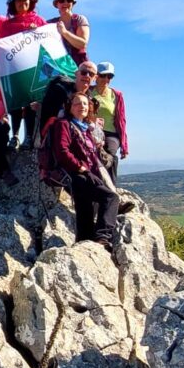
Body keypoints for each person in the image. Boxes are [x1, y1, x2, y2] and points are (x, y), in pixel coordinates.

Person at [50, 93, 119, 250]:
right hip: (77, 175)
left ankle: (84, 245)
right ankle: (103, 237)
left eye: (85, 104)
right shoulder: (64, 124)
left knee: (85, 213)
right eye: (77, 103)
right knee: (111, 197)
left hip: (86, 174)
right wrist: (80, 167)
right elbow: (62, 151)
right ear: (70, 107)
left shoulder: (86, 128)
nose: (82, 106)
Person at [0, 0, 47, 151]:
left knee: (31, 103)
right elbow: (2, 48)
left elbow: (48, 41)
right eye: (18, 0)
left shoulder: (39, 21)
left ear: (30, 2)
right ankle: (15, 136)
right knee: (17, 102)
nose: (22, 2)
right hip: (15, 69)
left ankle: (29, 137)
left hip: (34, 68)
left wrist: (37, 32)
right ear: (13, 3)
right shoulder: (7, 25)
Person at [37, 60, 98, 140]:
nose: (87, 76)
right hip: (56, 136)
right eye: (83, 72)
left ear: (95, 78)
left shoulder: (92, 102)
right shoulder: (59, 90)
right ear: (76, 73)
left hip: (78, 140)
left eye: (91, 74)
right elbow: (48, 116)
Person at [92, 61, 128, 182]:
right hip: (91, 131)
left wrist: (124, 146)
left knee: (110, 156)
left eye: (110, 76)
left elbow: (121, 120)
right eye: (103, 75)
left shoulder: (116, 95)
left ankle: (111, 187)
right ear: (96, 76)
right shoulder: (88, 92)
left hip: (111, 133)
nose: (106, 79)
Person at [48, 0, 90, 66]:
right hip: (58, 68)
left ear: (73, 3)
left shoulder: (79, 20)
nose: (65, 3)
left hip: (78, 68)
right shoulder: (49, 24)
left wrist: (64, 32)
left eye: (69, 0)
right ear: (57, 4)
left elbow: (82, 44)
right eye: (62, 0)